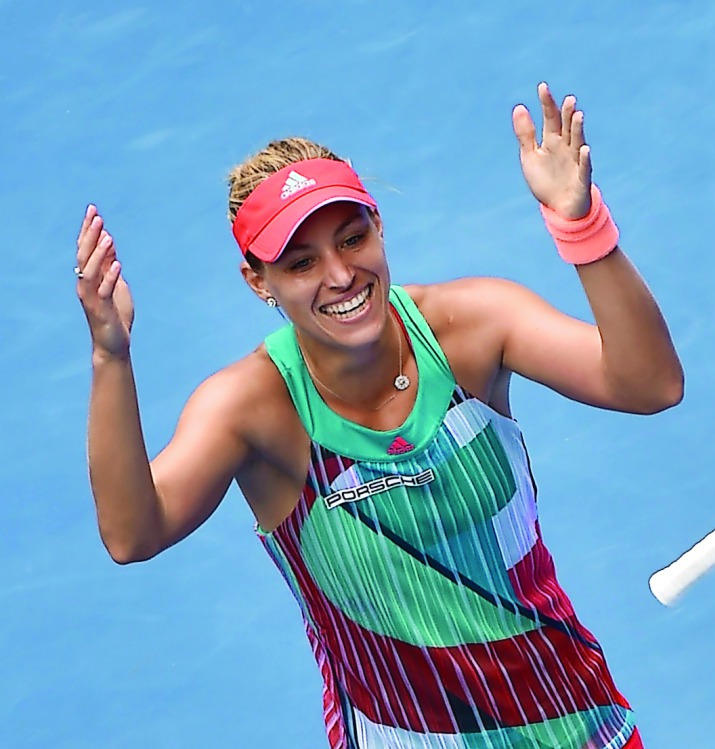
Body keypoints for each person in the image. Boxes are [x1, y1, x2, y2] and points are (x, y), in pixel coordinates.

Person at [75, 83, 683, 749]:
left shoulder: (474, 327)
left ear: (378, 226)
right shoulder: (252, 407)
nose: (340, 275)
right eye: (300, 262)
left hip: (574, 722)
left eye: (352, 238)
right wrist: (112, 356)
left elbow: (649, 384)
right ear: (258, 281)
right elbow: (134, 533)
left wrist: (581, 223)